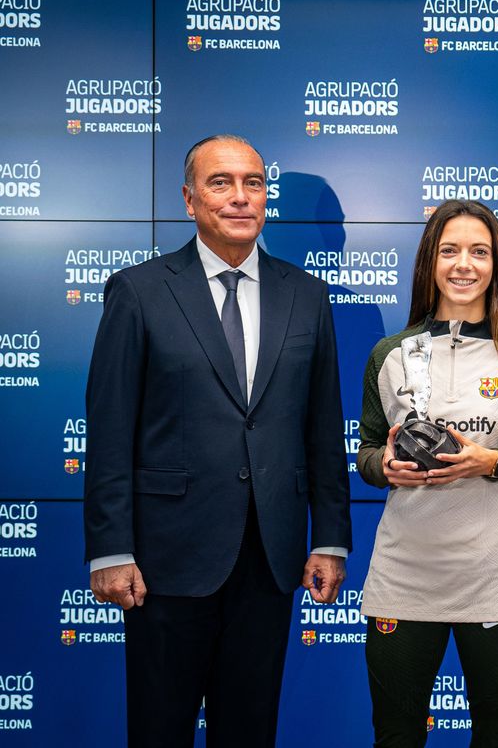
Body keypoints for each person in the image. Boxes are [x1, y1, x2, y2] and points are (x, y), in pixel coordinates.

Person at [84, 134, 352, 746]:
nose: (239, 197)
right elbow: (109, 429)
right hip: (165, 558)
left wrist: (331, 537)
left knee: (250, 731)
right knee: (159, 728)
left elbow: (321, 426)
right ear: (189, 198)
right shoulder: (140, 291)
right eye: (221, 183)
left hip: (271, 554)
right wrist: (110, 548)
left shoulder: (306, 294)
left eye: (252, 184)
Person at [357, 199, 498, 747]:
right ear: (429, 262)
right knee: (396, 737)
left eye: (479, 252)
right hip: (403, 579)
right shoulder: (391, 354)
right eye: (449, 250)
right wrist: (383, 466)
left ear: (496, 265)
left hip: (494, 582)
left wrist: (494, 462)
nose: (464, 264)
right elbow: (364, 452)